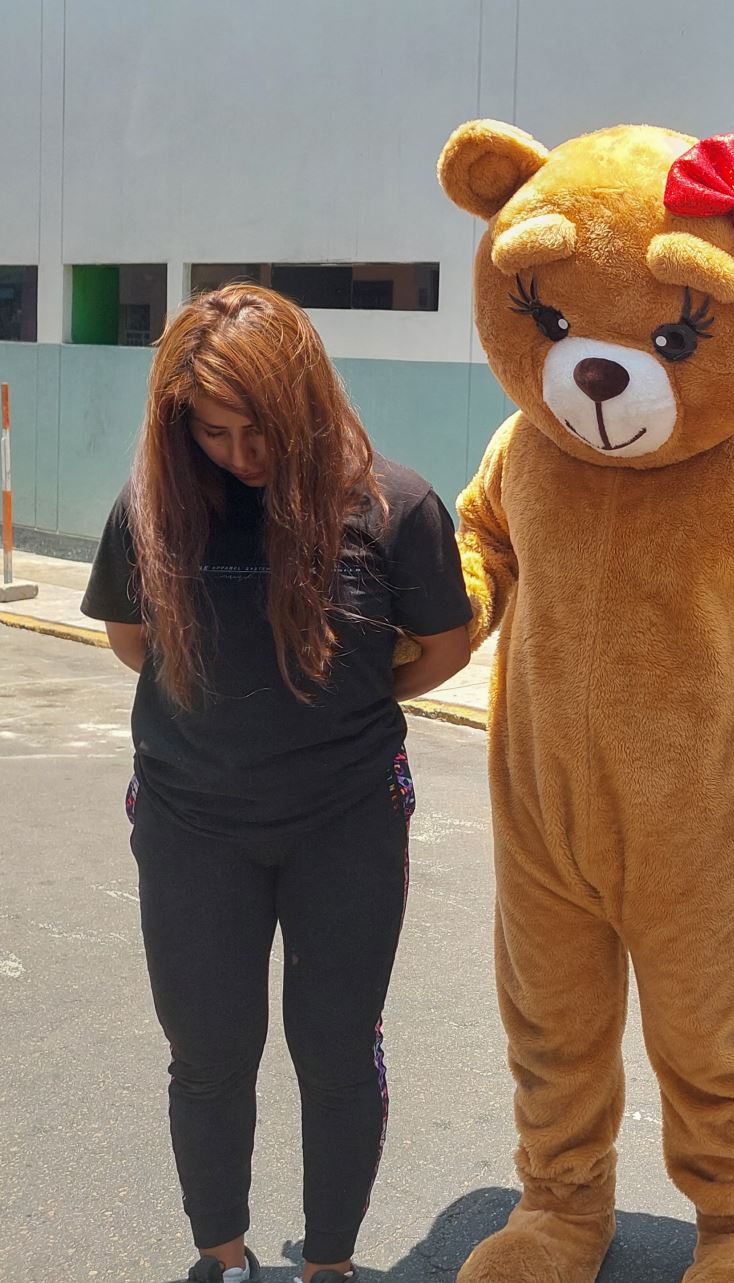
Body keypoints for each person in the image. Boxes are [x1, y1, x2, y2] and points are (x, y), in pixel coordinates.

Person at [81, 284, 473, 1283]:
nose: (241, 452)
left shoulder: (392, 503)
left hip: (346, 816)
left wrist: (338, 693)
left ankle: (329, 1262)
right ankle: (222, 1252)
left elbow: (447, 643)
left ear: (306, 395)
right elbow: (137, 645)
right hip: (189, 819)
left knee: (337, 1046)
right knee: (209, 1050)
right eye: (213, 430)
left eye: (260, 425)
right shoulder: (154, 509)